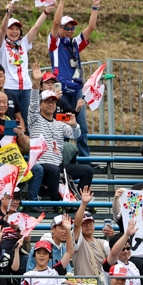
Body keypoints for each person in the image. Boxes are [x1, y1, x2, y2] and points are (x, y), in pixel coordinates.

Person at [48, 0, 102, 158]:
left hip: (76, 88)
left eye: (72, 28)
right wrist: (62, 1)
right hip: (61, 88)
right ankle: (63, 159)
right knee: (63, 126)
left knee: (82, 127)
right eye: (67, 27)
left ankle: (84, 160)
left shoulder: (75, 43)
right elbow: (55, 23)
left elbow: (91, 28)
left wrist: (95, 6)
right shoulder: (55, 43)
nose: (70, 30)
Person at [26, 71, 93, 199]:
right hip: (40, 165)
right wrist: (35, 82)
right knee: (54, 169)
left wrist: (74, 125)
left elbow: (75, 135)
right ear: (40, 104)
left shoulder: (59, 124)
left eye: (53, 101)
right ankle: (57, 204)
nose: (51, 104)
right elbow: (33, 103)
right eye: (47, 101)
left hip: (58, 166)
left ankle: (79, 200)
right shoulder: (34, 119)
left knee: (87, 170)